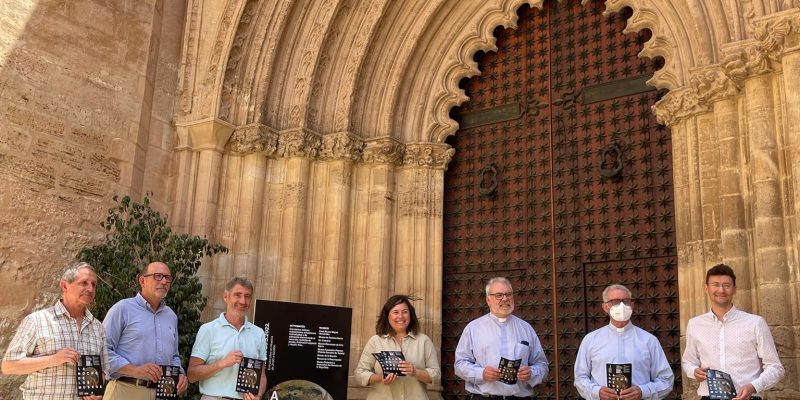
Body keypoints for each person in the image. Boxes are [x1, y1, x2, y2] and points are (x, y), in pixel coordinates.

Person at [2, 261, 107, 400]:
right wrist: (53, 359)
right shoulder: (37, 321)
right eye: (84, 283)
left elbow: (104, 370)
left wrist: (97, 392)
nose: (91, 289)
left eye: (94, 284)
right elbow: (9, 366)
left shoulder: (98, 328)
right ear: (64, 286)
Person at [682, 264, 785, 400]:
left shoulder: (755, 323)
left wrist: (753, 386)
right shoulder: (695, 324)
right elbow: (688, 361)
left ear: (734, 289)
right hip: (709, 397)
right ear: (706, 288)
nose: (721, 290)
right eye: (715, 284)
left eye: (726, 285)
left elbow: (776, 368)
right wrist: (693, 371)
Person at [102, 261, 188, 399]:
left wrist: (180, 373)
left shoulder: (171, 316)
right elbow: (102, 351)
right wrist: (135, 370)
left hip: (163, 393)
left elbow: (174, 356)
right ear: (142, 280)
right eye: (158, 276)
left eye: (168, 277)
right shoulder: (122, 309)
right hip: (126, 391)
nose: (164, 281)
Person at [574, 284, 674, 400]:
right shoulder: (591, 340)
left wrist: (643, 391)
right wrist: (597, 392)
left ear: (632, 305)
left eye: (625, 301)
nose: (621, 306)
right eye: (615, 301)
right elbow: (580, 378)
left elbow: (666, 379)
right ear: (605, 307)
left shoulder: (649, 341)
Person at [455, 277, 549, 399]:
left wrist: (531, 372)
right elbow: (459, 364)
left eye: (508, 294)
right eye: (499, 295)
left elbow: (542, 365)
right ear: (488, 300)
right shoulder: (473, 329)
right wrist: (481, 373)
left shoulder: (526, 329)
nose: (505, 299)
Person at [187, 277, 267, 400]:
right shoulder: (208, 330)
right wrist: (222, 363)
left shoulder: (259, 333)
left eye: (247, 296)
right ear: (226, 297)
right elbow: (192, 375)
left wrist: (258, 394)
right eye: (238, 295)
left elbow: (261, 376)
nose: (243, 301)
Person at [354, 294, 441, 399]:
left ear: (410, 315)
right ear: (387, 316)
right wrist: (380, 378)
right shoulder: (375, 341)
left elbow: (436, 374)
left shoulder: (423, 341)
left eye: (405, 312)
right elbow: (360, 373)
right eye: (395, 312)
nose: (400, 316)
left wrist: (415, 372)